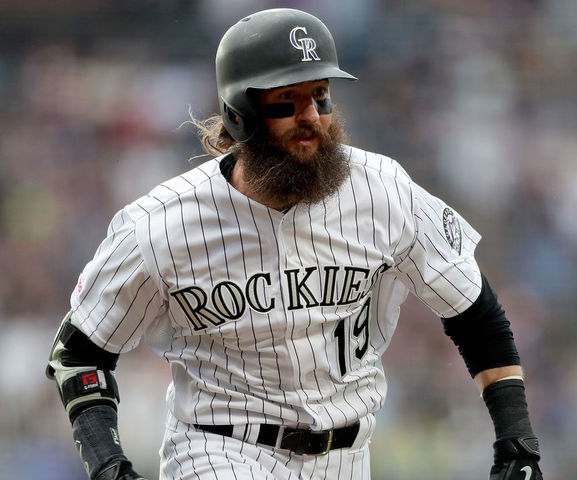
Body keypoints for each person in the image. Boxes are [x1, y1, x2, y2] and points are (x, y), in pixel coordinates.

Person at [46, 8, 543, 480]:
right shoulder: (161, 225)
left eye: (321, 96)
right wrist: (108, 463)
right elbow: (80, 352)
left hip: (348, 456)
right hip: (220, 448)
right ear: (240, 114)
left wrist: (516, 437)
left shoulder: (383, 190)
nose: (311, 117)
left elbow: (475, 314)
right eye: (287, 101)